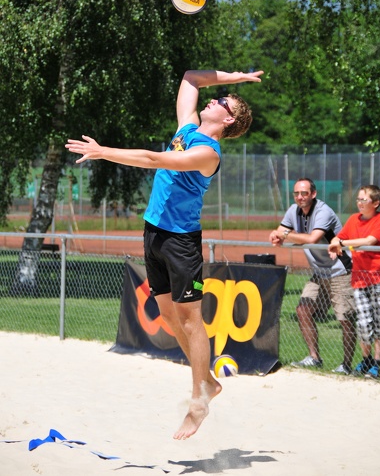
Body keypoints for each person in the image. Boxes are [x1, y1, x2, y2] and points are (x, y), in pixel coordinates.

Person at [65, 68, 262, 439]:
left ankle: (198, 398)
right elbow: (190, 78)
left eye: (220, 102)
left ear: (228, 119)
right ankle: (208, 382)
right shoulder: (187, 128)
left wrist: (102, 151)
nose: (211, 100)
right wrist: (232, 78)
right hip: (153, 231)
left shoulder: (207, 153)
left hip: (180, 241)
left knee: (191, 320)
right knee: (170, 317)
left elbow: (154, 160)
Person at [269, 178, 356, 374]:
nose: (300, 197)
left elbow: (311, 238)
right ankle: (314, 357)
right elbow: (280, 231)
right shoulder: (293, 210)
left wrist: (284, 235)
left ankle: (347, 365)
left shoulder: (323, 211)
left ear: (313, 194)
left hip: (340, 271)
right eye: (297, 194)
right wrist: (276, 234)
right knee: (303, 310)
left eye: (304, 193)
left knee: (345, 318)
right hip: (319, 272)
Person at [328, 185, 380, 379]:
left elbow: (370, 240)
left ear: (375, 203)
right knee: (364, 324)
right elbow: (339, 236)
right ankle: (366, 360)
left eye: (364, 200)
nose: (359, 203)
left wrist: (340, 243)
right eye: (358, 199)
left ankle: (376, 364)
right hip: (360, 278)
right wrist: (335, 242)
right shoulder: (353, 220)